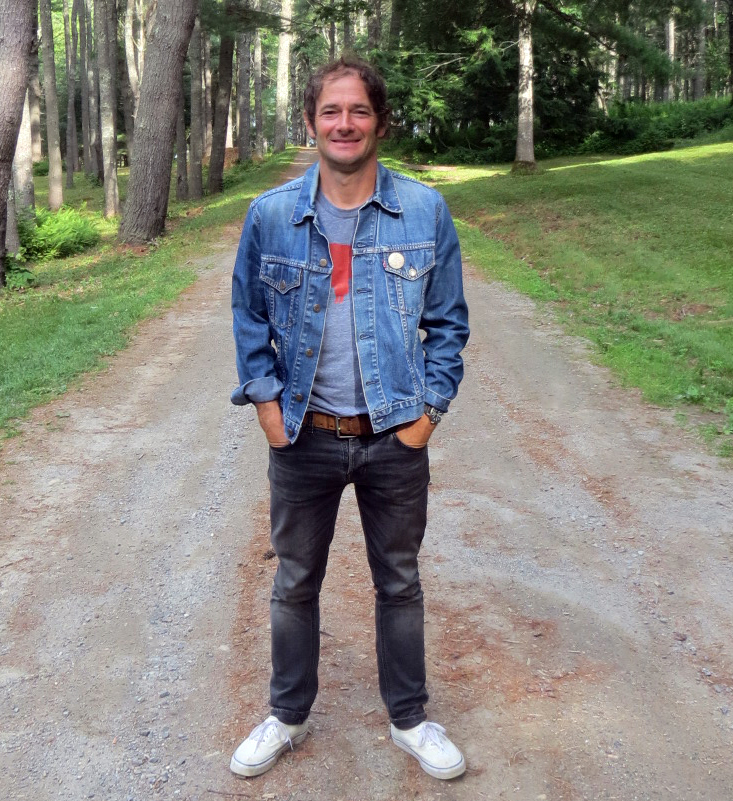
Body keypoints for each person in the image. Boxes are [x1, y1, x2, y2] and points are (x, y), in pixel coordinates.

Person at [229, 56, 470, 781]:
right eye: (331, 111)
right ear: (311, 122)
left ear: (379, 121)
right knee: (294, 581)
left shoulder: (424, 211)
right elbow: (246, 315)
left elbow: (448, 325)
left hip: (393, 436)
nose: (344, 123)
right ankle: (287, 714)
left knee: (398, 580)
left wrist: (426, 415)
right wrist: (268, 404)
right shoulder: (270, 214)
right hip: (305, 434)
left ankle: (409, 718)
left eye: (358, 111)